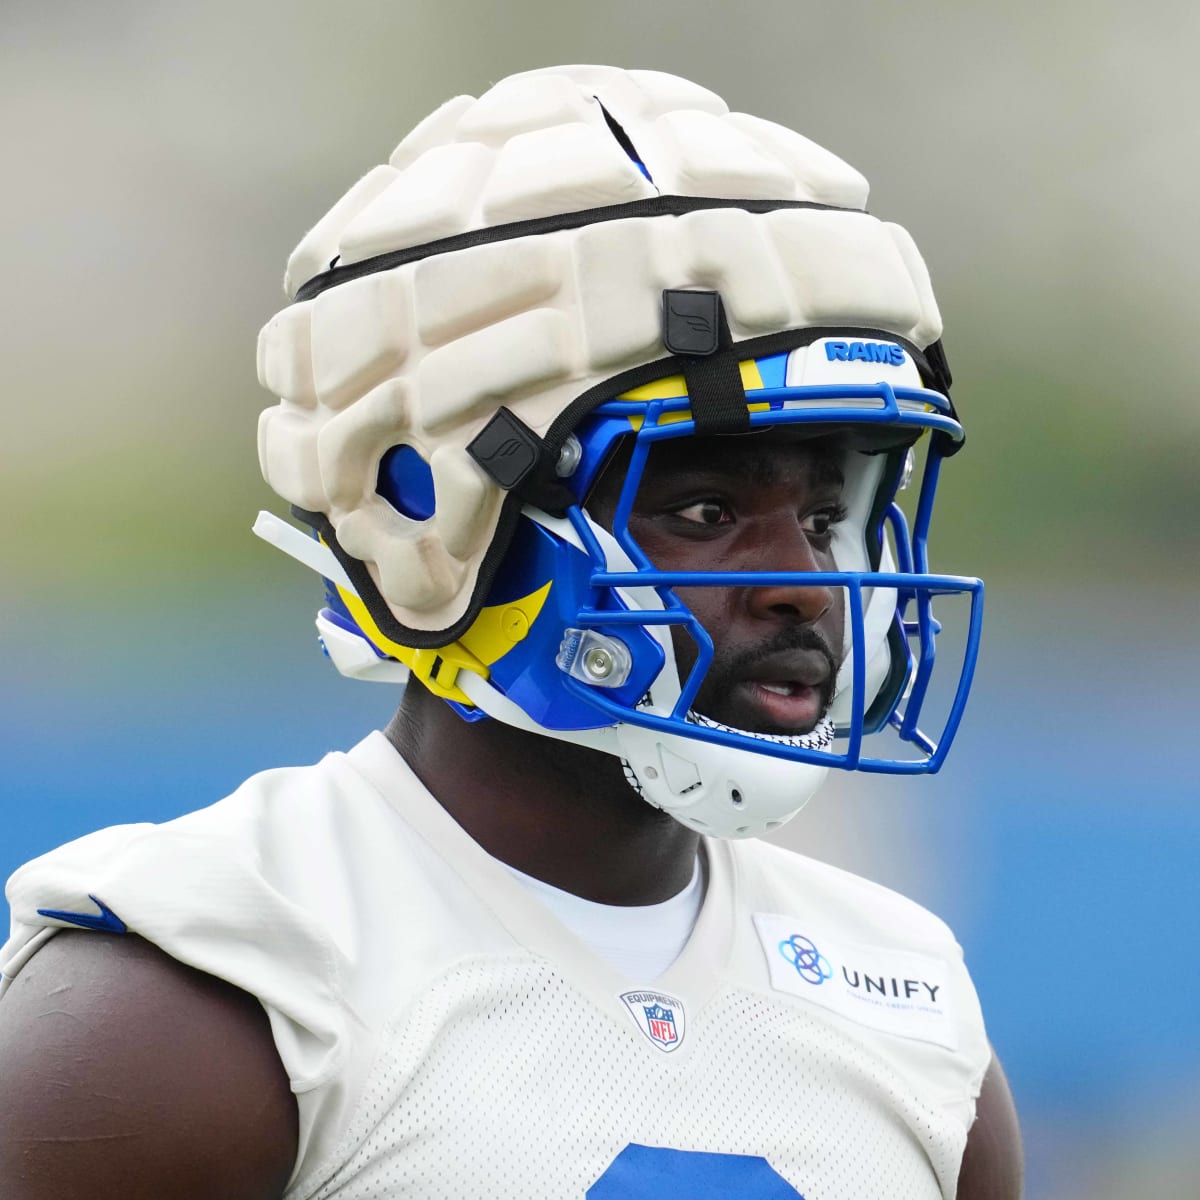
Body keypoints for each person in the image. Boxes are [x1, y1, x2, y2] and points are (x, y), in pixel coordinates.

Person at [0, 65, 1021, 1199]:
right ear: (432, 518)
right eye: (705, 512)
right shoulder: (198, 993)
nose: (804, 586)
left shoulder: (909, 1000)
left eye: (826, 516)